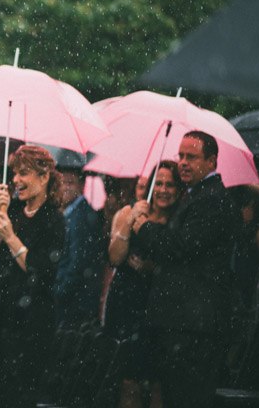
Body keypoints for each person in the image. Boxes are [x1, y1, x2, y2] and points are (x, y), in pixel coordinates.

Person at [132, 131, 239, 408]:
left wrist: (144, 227)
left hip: (194, 326)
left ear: (212, 161)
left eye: (191, 157)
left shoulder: (212, 199)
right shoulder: (196, 196)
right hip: (184, 322)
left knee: (186, 397)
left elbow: (181, 246)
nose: (183, 162)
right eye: (180, 156)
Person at [0, 145, 66, 408]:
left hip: (30, 321)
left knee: (16, 394)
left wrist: (12, 237)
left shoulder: (53, 220)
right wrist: (0, 212)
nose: (16, 180)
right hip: (0, 311)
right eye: (15, 174)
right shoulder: (14, 209)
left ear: (44, 176)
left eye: (24, 173)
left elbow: (40, 270)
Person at [104, 160, 182, 408]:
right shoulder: (130, 213)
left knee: (158, 383)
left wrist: (153, 269)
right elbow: (115, 258)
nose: (163, 189)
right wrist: (130, 221)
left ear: (179, 190)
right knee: (127, 382)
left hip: (160, 309)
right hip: (127, 306)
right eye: (158, 183)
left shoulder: (178, 222)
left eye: (170, 184)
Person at [54, 167, 106, 327]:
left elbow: (77, 263)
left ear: (82, 185)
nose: (65, 187)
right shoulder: (71, 213)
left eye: (71, 183)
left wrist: (59, 293)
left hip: (74, 302)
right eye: (62, 182)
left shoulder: (81, 216)